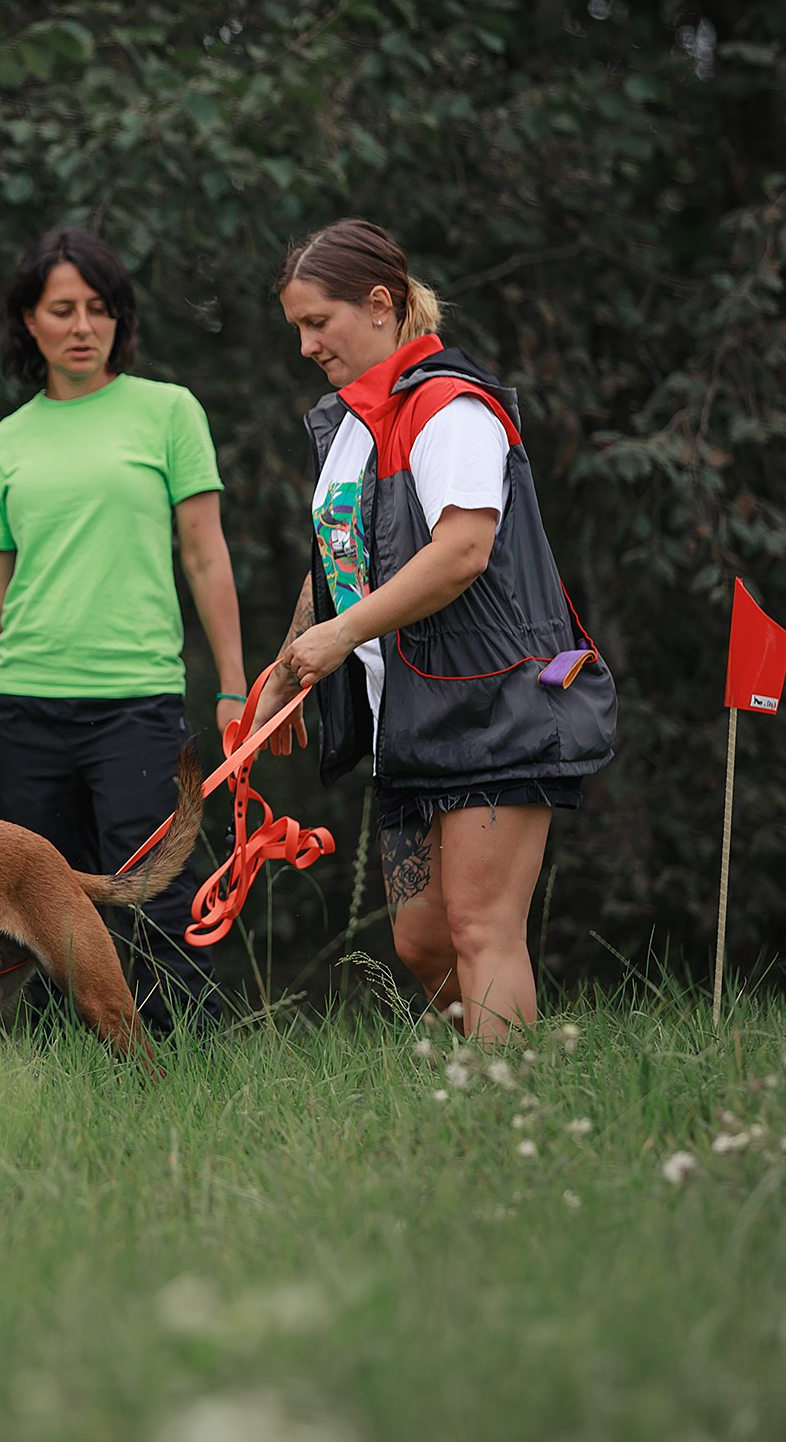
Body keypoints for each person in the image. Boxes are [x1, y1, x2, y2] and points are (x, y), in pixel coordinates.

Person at [254, 219, 615, 1040]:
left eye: (319, 322)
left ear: (379, 304)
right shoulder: (349, 426)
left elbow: (461, 550)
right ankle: (497, 1073)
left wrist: (341, 637)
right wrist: (288, 665)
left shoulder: (449, 409)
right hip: (407, 717)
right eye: (297, 329)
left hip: (497, 704)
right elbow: (336, 560)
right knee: (421, 941)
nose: (307, 345)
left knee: (483, 929)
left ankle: (504, 1105)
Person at [0, 227, 249, 1030]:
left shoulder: (168, 412)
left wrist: (236, 688)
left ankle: (187, 1067)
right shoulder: (7, 440)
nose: (81, 326)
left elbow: (205, 557)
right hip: (27, 712)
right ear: (28, 321)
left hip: (135, 704)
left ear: (118, 319)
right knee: (33, 918)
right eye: (60, 309)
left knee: (161, 896)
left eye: (98, 309)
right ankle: (65, 1080)